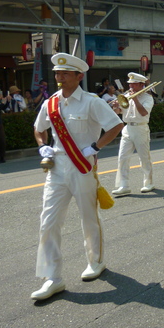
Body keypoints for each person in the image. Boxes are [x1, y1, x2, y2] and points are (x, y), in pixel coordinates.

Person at [32, 53, 123, 301]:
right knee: (48, 221)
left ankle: (96, 261)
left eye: (64, 74)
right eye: (57, 74)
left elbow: (115, 125)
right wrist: (43, 146)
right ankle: (52, 277)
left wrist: (95, 147)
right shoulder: (51, 103)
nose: (59, 78)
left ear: (78, 76)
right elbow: (39, 129)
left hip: (83, 164)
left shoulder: (92, 102)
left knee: (88, 217)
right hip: (57, 166)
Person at [111, 73, 156, 196]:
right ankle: (123, 185)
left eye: (134, 84)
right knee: (122, 157)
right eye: (130, 83)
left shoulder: (148, 98)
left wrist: (135, 99)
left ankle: (148, 182)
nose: (131, 86)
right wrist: (116, 107)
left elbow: (143, 113)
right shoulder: (126, 96)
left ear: (142, 85)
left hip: (140, 128)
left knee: (144, 157)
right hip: (127, 128)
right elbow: (120, 112)